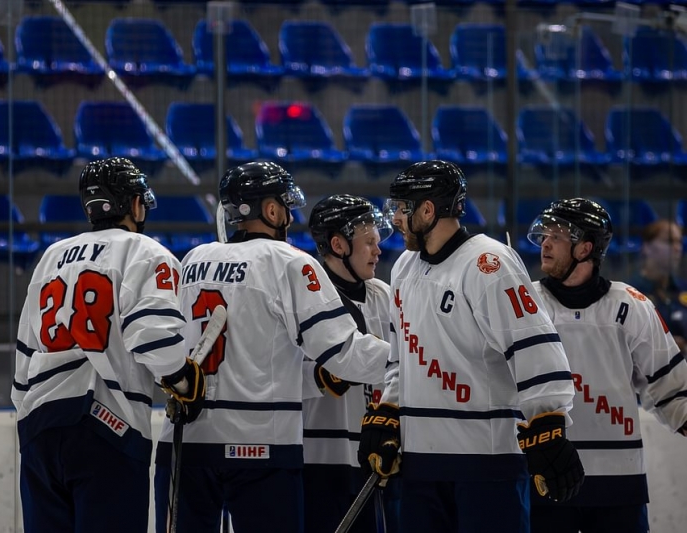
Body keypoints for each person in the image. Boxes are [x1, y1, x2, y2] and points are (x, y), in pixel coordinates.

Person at [152, 161, 390, 533]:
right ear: (271, 209)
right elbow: (342, 351)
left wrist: (314, 377)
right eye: (285, 206)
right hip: (260, 446)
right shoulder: (290, 262)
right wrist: (404, 360)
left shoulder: (193, 260)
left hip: (186, 442)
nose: (290, 216)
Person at [358, 160, 584, 533]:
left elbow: (533, 347)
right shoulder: (403, 269)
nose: (395, 219)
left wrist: (548, 423)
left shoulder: (489, 264)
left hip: (486, 463)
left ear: (427, 210)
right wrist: (390, 411)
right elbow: (401, 358)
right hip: (420, 464)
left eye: (400, 208)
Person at [12, 157, 205, 533]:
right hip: (105, 424)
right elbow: (155, 336)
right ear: (133, 203)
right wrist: (181, 379)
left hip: (39, 426)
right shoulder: (146, 252)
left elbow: (25, 348)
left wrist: (26, 415)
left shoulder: (52, 256)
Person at [526, 198, 687, 533]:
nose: (545, 242)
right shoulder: (527, 304)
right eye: (545, 233)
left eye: (557, 235)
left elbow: (668, 386)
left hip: (620, 480)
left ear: (585, 248)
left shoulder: (631, 305)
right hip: (546, 474)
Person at [303, 194, 398, 533]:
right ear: (339, 244)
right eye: (369, 242)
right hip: (318, 460)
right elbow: (274, 373)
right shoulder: (306, 296)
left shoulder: (383, 295)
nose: (378, 250)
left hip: (375, 455)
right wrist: (316, 377)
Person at [628, 219, 687, 353]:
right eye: (669, 242)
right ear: (647, 247)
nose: (677, 248)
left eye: (679, 242)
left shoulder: (683, 288)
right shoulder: (629, 292)